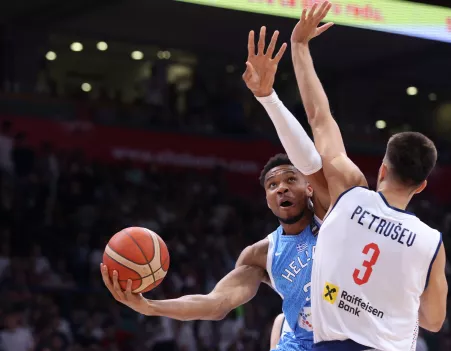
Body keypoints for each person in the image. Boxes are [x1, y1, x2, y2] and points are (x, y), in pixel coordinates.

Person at [101, 29, 331, 351]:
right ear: (266, 199)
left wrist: (268, 97)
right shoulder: (261, 255)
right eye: (272, 185)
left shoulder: (332, 214)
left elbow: (311, 151)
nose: (281, 189)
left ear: (308, 187)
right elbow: (216, 303)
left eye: (290, 180)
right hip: (301, 345)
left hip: (357, 337)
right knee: (283, 328)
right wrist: (150, 306)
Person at [248, 2, 448, 350]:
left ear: (382, 169)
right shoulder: (431, 242)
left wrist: (299, 46)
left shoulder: (349, 195)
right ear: (422, 185)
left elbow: (319, 117)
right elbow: (433, 320)